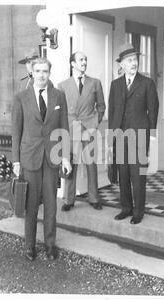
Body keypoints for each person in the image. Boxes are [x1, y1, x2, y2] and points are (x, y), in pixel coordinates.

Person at [12, 57, 72, 261]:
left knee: (51, 205)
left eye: (44, 71)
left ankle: (50, 244)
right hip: (29, 157)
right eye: (37, 71)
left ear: (49, 73)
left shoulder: (59, 96)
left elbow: (64, 127)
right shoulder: (21, 97)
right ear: (32, 73)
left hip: (51, 158)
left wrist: (65, 157)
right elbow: (16, 131)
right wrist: (16, 161)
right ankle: (29, 246)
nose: (41, 75)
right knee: (30, 205)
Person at [108, 43, 159, 224]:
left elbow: (153, 110)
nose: (133, 63)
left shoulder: (147, 83)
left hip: (139, 136)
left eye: (135, 60)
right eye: (129, 60)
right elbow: (113, 112)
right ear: (121, 64)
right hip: (120, 137)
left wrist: (151, 137)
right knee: (123, 174)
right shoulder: (115, 85)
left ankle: (138, 212)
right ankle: (126, 208)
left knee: (138, 175)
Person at [58, 51, 106, 211]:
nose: (84, 62)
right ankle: (69, 200)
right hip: (71, 129)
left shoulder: (95, 83)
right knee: (71, 164)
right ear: (73, 64)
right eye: (81, 60)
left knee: (91, 164)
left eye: (85, 59)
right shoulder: (63, 85)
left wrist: (95, 122)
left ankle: (94, 198)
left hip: (88, 128)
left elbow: (101, 106)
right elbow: (61, 111)